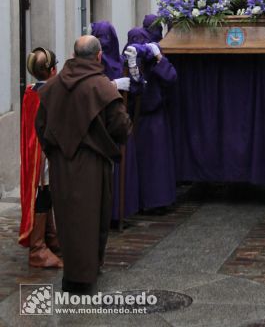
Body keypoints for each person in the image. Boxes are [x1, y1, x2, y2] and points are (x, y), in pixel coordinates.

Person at [35, 35, 132, 294]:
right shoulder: (102, 87)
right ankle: (87, 275)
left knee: (68, 218)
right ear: (98, 56)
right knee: (92, 218)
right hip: (92, 163)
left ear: (75, 55)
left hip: (61, 165)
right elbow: (121, 125)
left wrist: (54, 152)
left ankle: (73, 275)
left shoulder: (53, 86)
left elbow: (41, 125)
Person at [125, 28, 178, 212]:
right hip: (136, 118)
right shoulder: (127, 58)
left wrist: (158, 58)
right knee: (140, 163)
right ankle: (140, 200)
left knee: (157, 162)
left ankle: (158, 201)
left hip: (155, 118)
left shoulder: (156, 60)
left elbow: (170, 77)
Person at [19, 47, 63, 269]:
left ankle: (49, 235)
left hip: (35, 152)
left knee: (46, 192)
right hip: (43, 154)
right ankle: (37, 248)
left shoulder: (30, 91)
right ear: (53, 70)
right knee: (44, 193)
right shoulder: (49, 93)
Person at [91, 20, 139, 222]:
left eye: (106, 38)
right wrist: (112, 85)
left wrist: (134, 71)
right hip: (99, 125)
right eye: (100, 38)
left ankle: (119, 212)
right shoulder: (91, 64)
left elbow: (136, 88)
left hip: (118, 120)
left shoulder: (119, 62)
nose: (104, 42)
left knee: (121, 170)